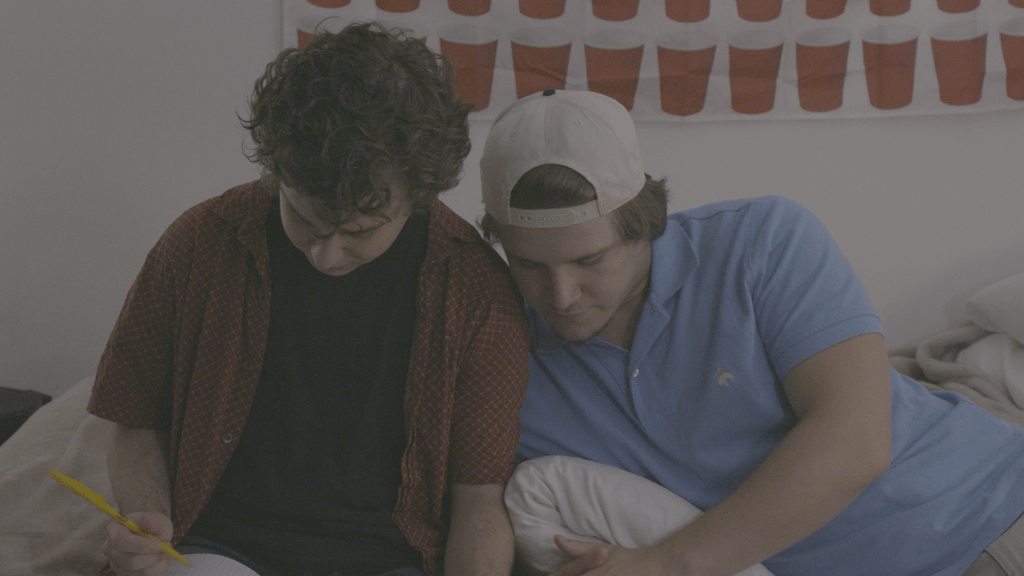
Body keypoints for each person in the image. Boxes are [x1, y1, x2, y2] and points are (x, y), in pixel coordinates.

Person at [477, 89, 1024, 576]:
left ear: (643, 223)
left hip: (987, 517)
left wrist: (667, 564)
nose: (561, 296)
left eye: (589, 260)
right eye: (529, 265)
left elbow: (856, 442)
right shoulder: (503, 352)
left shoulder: (762, 241)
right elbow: (478, 506)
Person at [87, 22, 529, 576]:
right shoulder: (200, 244)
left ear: (420, 193)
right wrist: (146, 519)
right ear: (275, 170)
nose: (325, 256)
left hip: (387, 560)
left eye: (359, 232)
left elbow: (479, 500)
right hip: (218, 547)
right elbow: (132, 421)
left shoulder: (475, 291)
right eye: (303, 218)